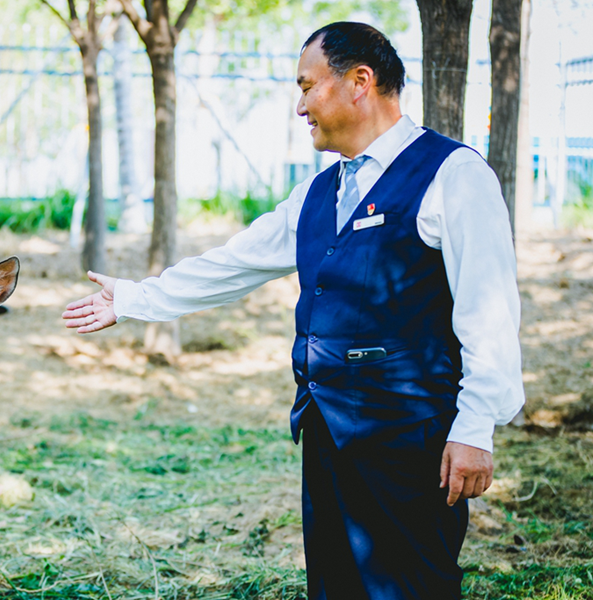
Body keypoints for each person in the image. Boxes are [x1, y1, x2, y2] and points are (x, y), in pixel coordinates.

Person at [63, 21, 524, 600]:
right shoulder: (316, 193)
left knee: (413, 585)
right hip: (327, 431)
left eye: (306, 86)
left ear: (360, 82)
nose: (299, 106)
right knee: (333, 586)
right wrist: (133, 299)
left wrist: (476, 425)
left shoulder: (455, 175)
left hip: (411, 441)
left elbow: (489, 310)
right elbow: (235, 264)